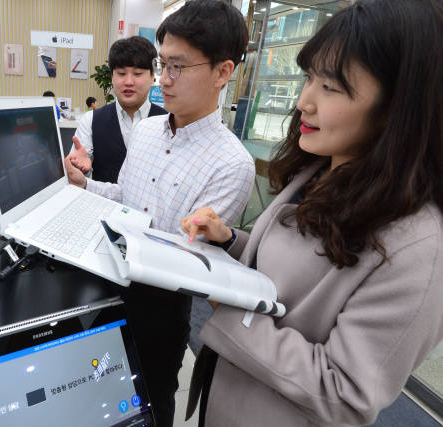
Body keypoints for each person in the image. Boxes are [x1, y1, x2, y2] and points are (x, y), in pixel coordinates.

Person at [181, 1, 443, 426]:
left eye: (332, 87)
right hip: (227, 397)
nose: (304, 101)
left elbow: (346, 392)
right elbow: (295, 274)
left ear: (398, 107)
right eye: (308, 78)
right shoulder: (321, 169)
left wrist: (229, 308)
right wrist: (229, 240)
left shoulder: (418, 245)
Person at [66, 2, 254, 425]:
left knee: (150, 402)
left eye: (178, 68)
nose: (163, 81)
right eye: (162, 64)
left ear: (223, 72)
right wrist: (86, 186)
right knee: (95, 399)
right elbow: (126, 198)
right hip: (102, 282)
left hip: (157, 311)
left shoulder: (231, 163)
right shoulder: (149, 130)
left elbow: (190, 263)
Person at [67, 36, 166, 183]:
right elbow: (76, 175)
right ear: (112, 77)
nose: (128, 82)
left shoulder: (169, 121)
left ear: (152, 76)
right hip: (103, 204)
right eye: (121, 73)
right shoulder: (92, 120)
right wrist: (82, 170)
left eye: (138, 74)